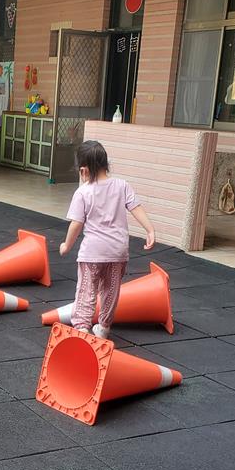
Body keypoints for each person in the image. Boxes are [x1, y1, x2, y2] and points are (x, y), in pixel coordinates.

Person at [58, 140, 156, 339]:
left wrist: (66, 245)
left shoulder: (83, 192)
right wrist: (150, 230)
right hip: (118, 252)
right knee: (111, 291)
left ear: (84, 169)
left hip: (92, 253)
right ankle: (103, 327)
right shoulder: (122, 185)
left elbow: (76, 224)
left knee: (86, 290)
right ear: (106, 163)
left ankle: (82, 327)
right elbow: (136, 207)